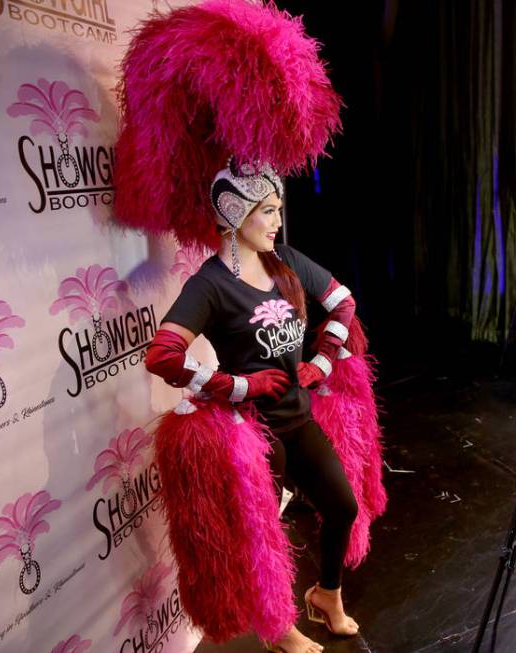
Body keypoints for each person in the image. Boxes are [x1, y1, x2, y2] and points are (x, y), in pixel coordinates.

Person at [145, 162, 361, 652]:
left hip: (297, 417)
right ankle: (280, 627)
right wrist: (237, 385)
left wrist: (324, 361)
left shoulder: (285, 259)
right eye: (268, 211)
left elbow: (343, 303)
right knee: (267, 540)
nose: (277, 221)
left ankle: (327, 594)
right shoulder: (211, 284)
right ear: (234, 214)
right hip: (252, 434)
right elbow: (161, 355)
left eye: (278, 210)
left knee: (342, 507)